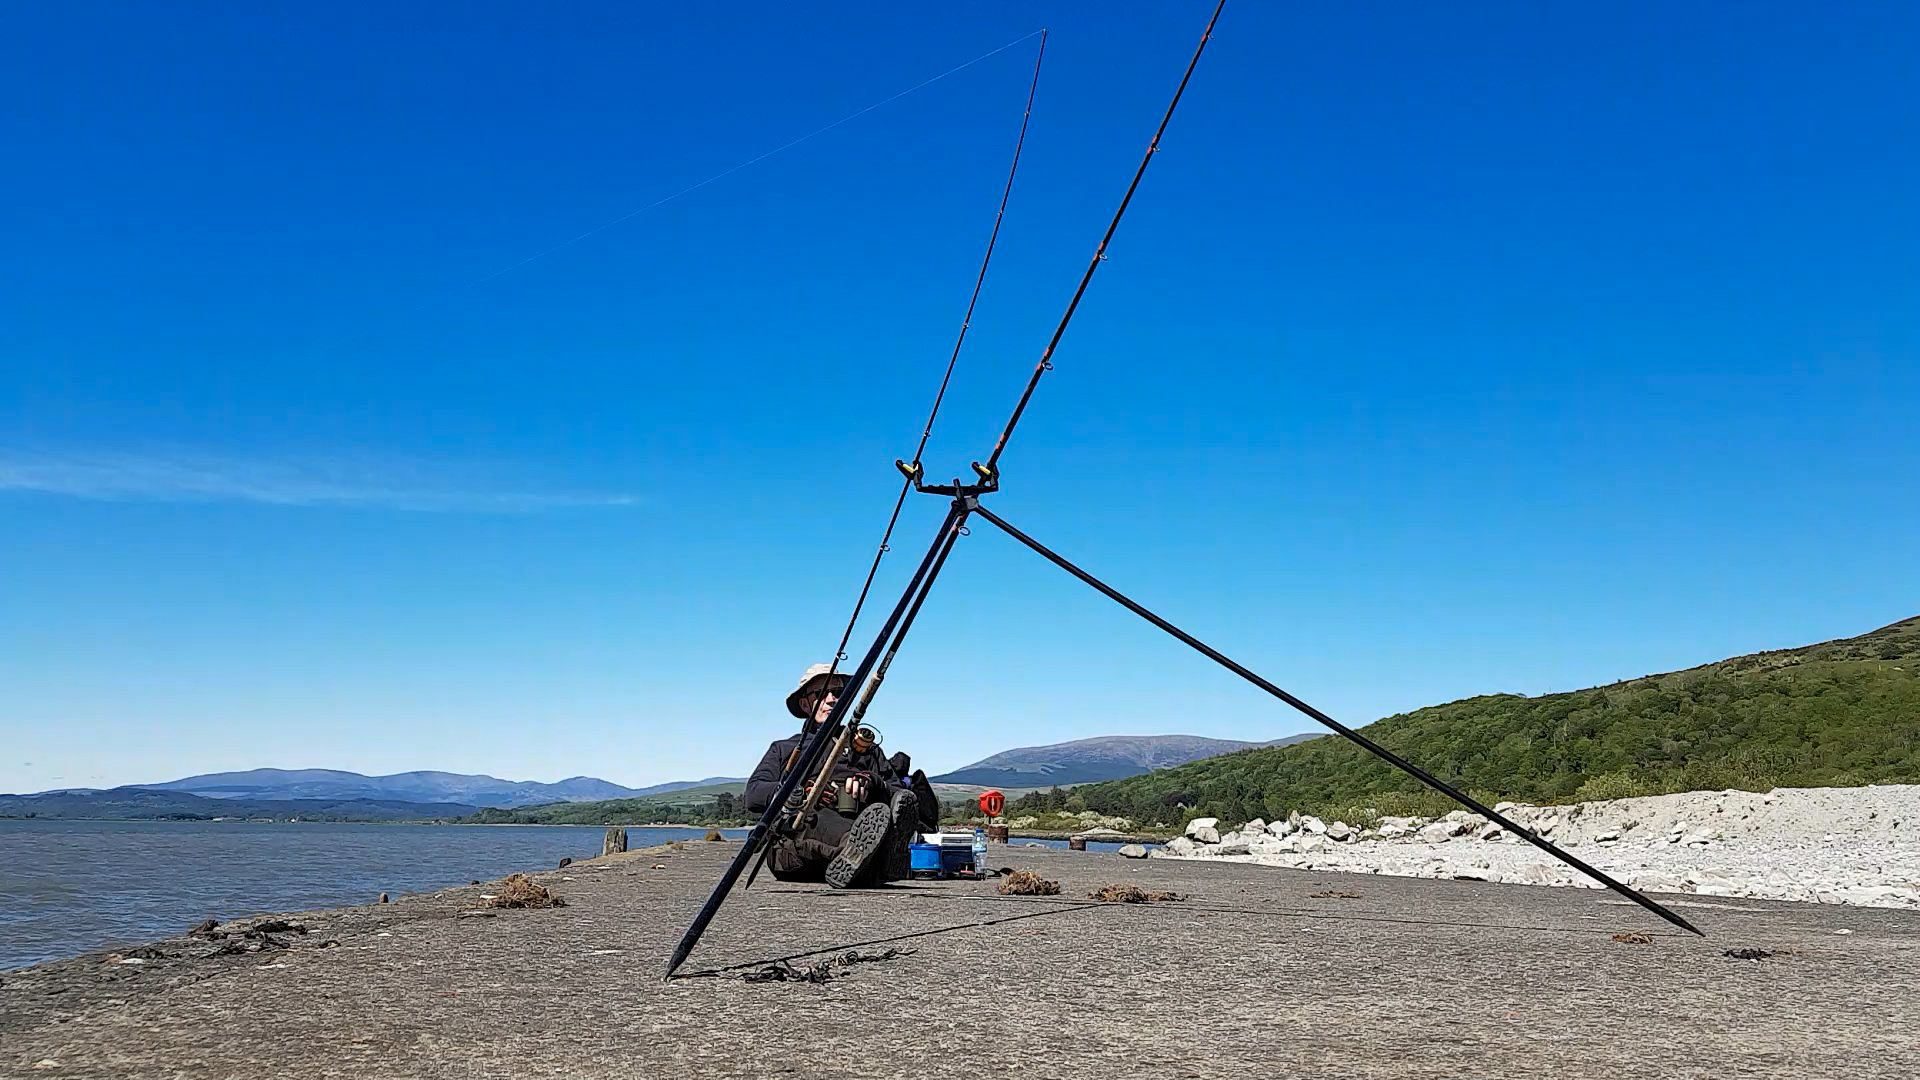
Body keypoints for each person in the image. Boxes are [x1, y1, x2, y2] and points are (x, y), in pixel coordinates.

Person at [743, 663, 926, 887]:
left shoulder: (866, 749)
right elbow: (752, 795)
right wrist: (797, 791)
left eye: (838, 693)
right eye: (821, 694)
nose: (831, 699)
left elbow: (901, 796)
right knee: (811, 818)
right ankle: (865, 856)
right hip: (794, 847)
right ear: (805, 704)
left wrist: (873, 783)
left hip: (855, 824)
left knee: (893, 803)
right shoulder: (783, 748)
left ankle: (868, 856)